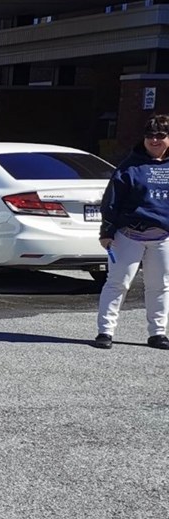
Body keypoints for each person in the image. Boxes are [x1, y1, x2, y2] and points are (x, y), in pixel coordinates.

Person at [96, 114, 169, 350]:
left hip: (163, 237)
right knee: (117, 283)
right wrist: (106, 232)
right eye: (150, 136)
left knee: (159, 285)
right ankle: (105, 332)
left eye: (160, 135)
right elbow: (112, 200)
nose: (154, 140)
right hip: (128, 234)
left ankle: (157, 333)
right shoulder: (130, 165)